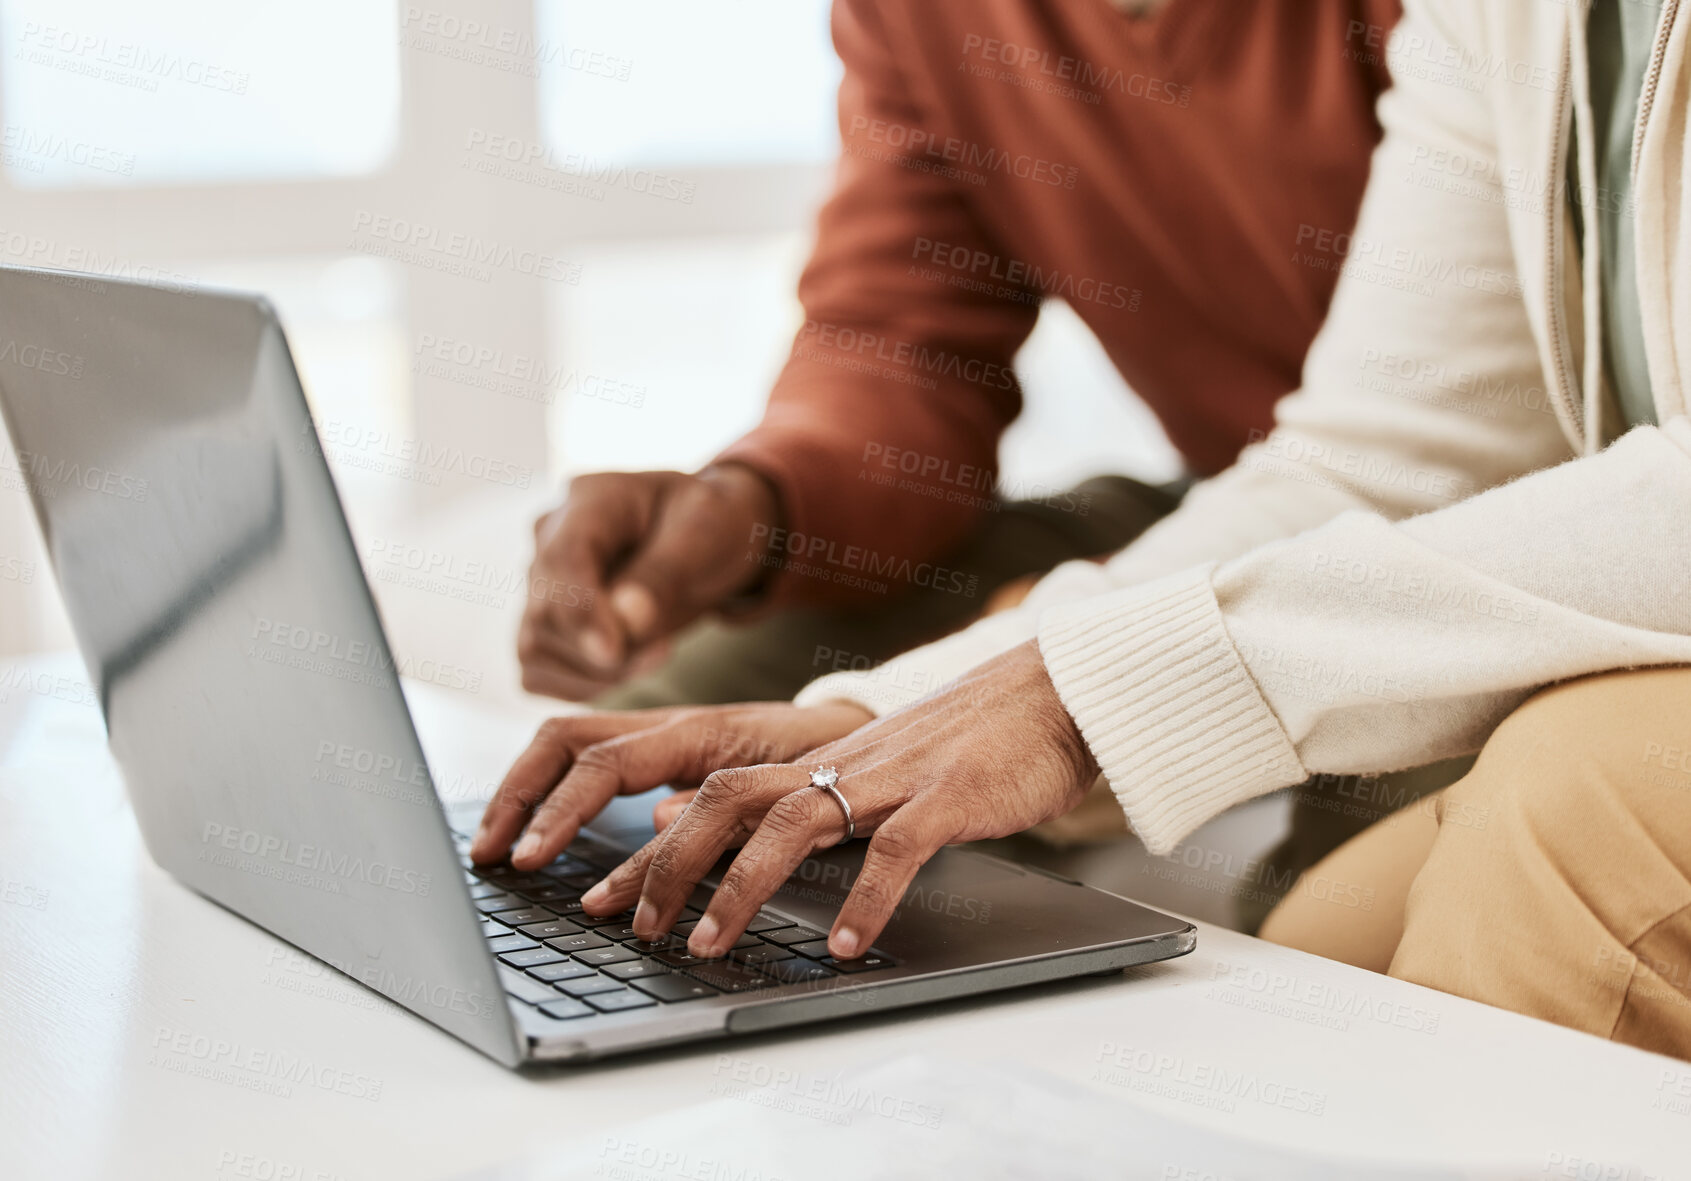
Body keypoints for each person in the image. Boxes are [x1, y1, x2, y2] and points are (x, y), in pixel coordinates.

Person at [477, 0, 1691, 1058]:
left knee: (1549, 796)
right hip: (1310, 503)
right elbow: (1384, 453)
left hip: (1551, 552)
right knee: (1301, 986)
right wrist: (881, 697)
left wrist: (1091, 690)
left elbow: (1488, 478)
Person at [519, 0, 1400, 711]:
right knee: (683, 708)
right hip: (1230, 497)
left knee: (1325, 904)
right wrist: (757, 502)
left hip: (1460, 525)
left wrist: (1078, 632)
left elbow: (1460, 435)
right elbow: (900, 345)